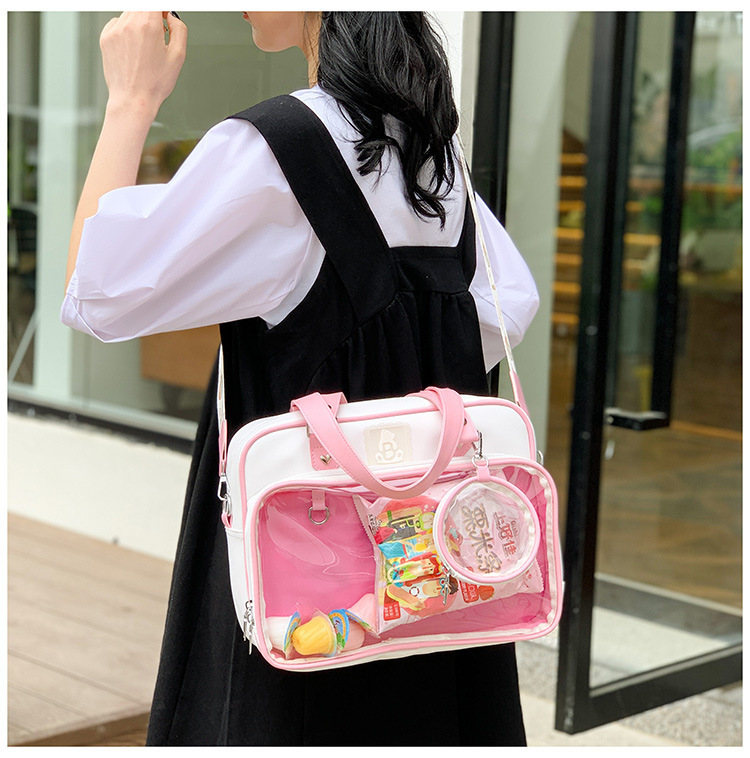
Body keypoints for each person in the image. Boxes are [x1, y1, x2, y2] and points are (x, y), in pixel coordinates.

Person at [61, 11, 540, 746]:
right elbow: (506, 307)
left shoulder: (272, 148)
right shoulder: (429, 148)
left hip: (306, 561)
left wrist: (130, 101)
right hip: (430, 565)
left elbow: (96, 293)